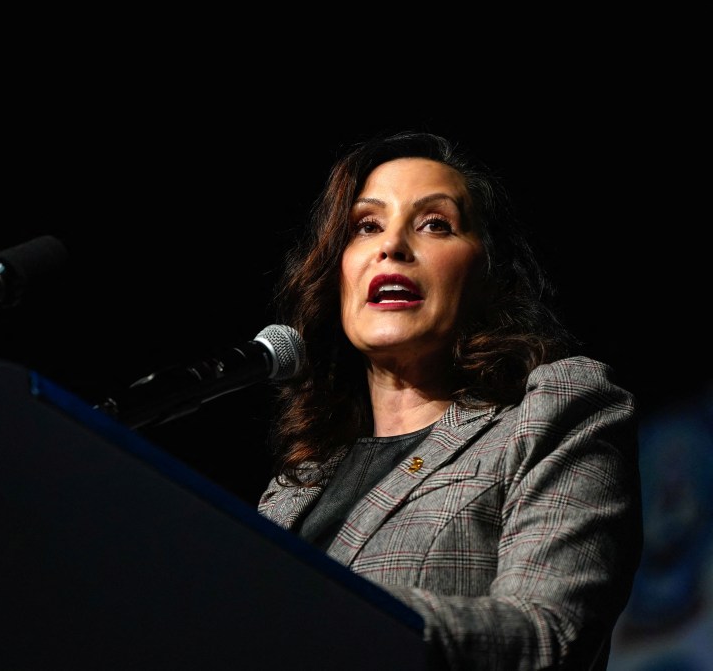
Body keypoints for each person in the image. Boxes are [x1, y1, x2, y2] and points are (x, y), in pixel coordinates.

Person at [256, 130, 643, 670]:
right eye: (366, 226)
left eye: (436, 224)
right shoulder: (295, 486)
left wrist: (329, 608)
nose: (391, 245)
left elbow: (546, 636)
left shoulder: (557, 408)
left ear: (490, 273)